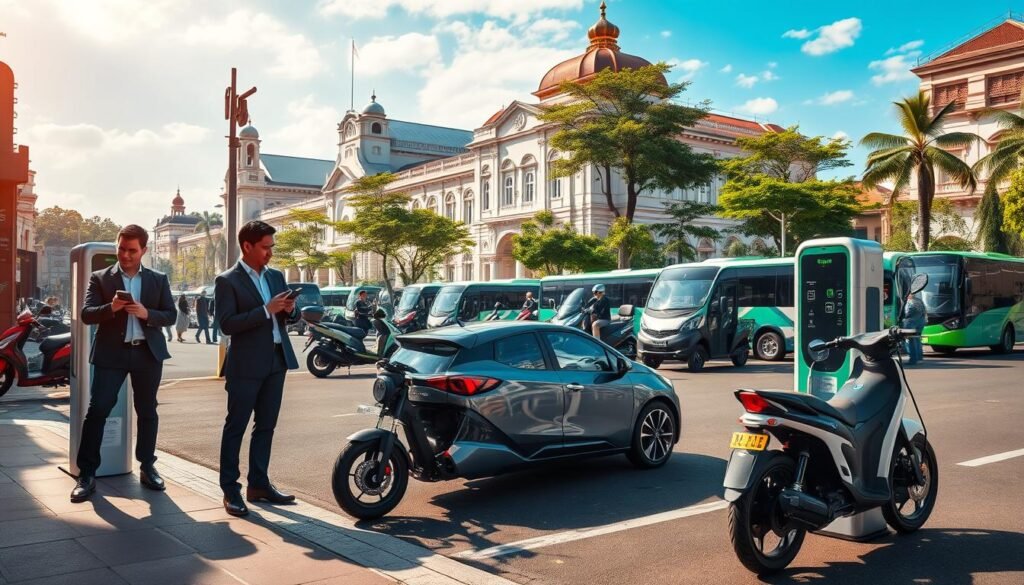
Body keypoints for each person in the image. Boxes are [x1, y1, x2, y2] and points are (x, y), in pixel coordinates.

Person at [70, 225, 176, 503]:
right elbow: (86, 314)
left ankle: (147, 467)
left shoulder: (158, 279)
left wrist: (146, 313)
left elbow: (170, 315)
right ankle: (87, 473)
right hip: (111, 354)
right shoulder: (101, 278)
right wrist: (112, 308)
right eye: (121, 248)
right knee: (98, 411)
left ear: (144, 250)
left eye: (132, 250)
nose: (125, 255)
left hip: (147, 354)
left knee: (147, 411)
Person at [215, 220, 299, 517]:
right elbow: (227, 324)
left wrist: (290, 310)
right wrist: (266, 310)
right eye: (265, 247)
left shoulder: (276, 276)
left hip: (277, 360)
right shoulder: (228, 280)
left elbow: (290, 315)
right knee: (236, 426)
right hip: (245, 364)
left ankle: (259, 485)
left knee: (266, 427)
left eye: (271, 247)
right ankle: (230, 491)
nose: (270, 253)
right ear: (247, 246)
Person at [902, 290, 926, 365]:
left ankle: (913, 359)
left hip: (911, 323)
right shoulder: (919, 301)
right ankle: (919, 357)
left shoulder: (909, 302)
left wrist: (902, 318)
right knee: (917, 339)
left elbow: (907, 313)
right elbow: (924, 311)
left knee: (911, 341)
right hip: (921, 322)